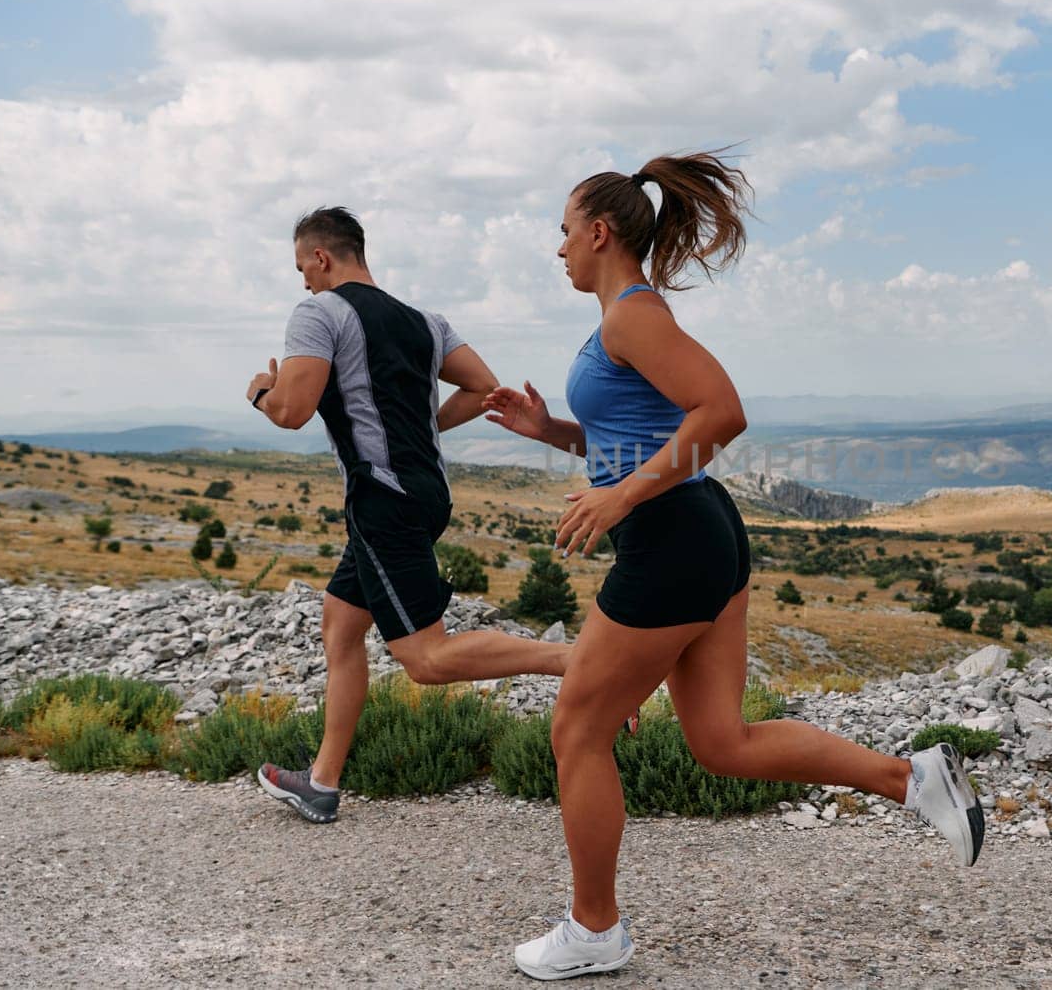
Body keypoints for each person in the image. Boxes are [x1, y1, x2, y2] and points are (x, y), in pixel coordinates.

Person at [482, 153, 984, 981]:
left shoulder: (631, 317)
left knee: (577, 726)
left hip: (673, 538)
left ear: (599, 232)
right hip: (699, 532)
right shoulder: (619, 318)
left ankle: (594, 927)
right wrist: (556, 434)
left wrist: (618, 500)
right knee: (722, 739)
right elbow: (642, 429)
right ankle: (915, 777)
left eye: (564, 232)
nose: (559, 247)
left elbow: (724, 410)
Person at [244, 206, 571, 824]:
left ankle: (578, 661)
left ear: (321, 257)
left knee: (426, 659)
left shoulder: (319, 313)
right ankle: (321, 781)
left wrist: (261, 389)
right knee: (342, 625)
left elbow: (291, 411)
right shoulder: (426, 320)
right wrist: (423, 425)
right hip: (427, 493)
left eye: (302, 269)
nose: (303, 284)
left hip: (381, 500)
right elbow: (486, 387)